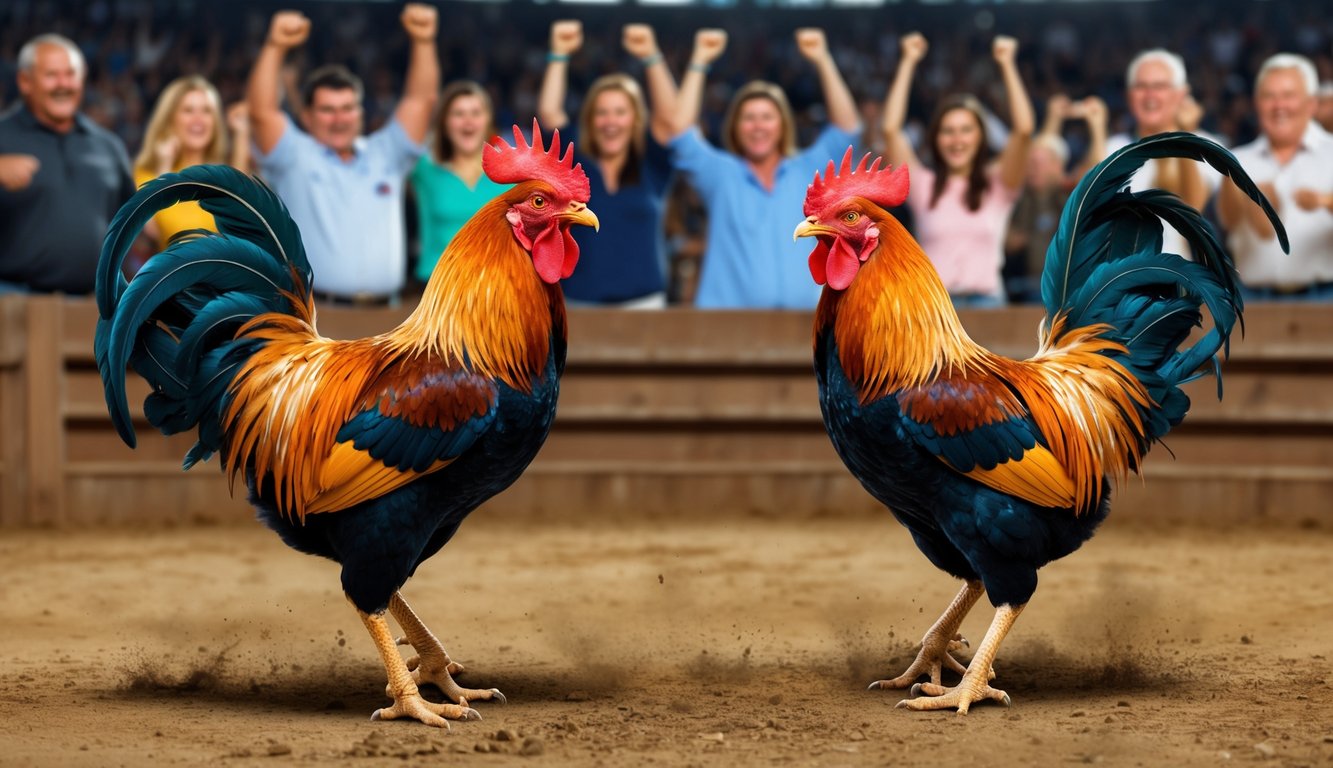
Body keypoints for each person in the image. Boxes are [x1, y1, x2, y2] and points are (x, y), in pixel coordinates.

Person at [246, 5, 439, 307]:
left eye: (348, 107)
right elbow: (261, 113)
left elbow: (421, 101)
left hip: (386, 317)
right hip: (317, 314)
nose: (340, 118)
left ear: (361, 112)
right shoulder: (293, 155)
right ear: (307, 117)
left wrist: (424, 41)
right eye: (328, 109)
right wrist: (275, 45)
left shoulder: (386, 153)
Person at [668, 28, 860, 310]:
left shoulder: (809, 170)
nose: (758, 126)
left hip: (804, 328)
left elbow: (848, 130)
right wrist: (699, 60)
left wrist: (822, 59)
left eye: (767, 117)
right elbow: (679, 133)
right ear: (735, 126)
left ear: (782, 125)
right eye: (749, 118)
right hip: (726, 330)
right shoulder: (720, 174)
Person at [882, 32, 1035, 308]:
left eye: (966, 130)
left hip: (988, 303)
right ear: (936, 139)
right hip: (933, 308)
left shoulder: (998, 184)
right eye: (948, 131)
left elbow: (1023, 131)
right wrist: (908, 61)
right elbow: (890, 130)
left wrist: (1007, 64)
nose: (957, 140)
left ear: (980, 137)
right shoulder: (922, 185)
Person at [537, 20, 679, 308]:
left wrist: (651, 56)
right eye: (601, 113)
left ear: (635, 119)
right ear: (590, 120)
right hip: (578, 304)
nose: (610, 121)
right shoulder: (573, 163)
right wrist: (559, 53)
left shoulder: (651, 162)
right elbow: (550, 113)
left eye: (620, 112)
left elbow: (669, 118)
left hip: (646, 305)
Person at [0, 33, 135, 294]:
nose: (63, 84)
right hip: (11, 300)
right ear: (25, 81)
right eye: (51, 75)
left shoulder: (108, 145)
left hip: (92, 304)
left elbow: (131, 226)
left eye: (71, 74)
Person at [1218, 53, 1333, 301]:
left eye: (1289, 96)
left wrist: (1325, 202)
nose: (1279, 106)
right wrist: (1245, 197)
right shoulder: (1236, 160)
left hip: (1325, 298)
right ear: (1257, 103)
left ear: (1311, 104)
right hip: (1251, 299)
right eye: (1269, 96)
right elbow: (1227, 222)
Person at [1103, 48, 1220, 259]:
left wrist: (1186, 137)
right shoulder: (1111, 148)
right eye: (1141, 86)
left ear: (1182, 94)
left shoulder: (1209, 146)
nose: (1150, 95)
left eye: (1159, 86)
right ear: (1129, 96)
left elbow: (1192, 209)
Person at [1004, 93, 1107, 303]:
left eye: (1039, 164)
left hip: (1067, 292)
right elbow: (1039, 151)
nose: (1032, 168)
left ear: (1058, 167)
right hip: (1023, 289)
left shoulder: (1067, 191)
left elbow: (1096, 172)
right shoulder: (1023, 195)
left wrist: (1097, 127)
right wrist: (1053, 118)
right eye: (1030, 164)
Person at [133, 76, 251, 253]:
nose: (199, 119)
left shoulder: (222, 178)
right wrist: (164, 165)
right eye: (188, 110)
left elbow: (241, 210)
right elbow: (156, 230)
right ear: (169, 119)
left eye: (207, 111)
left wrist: (242, 134)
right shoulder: (146, 175)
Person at [409, 80, 512, 285]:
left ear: (488, 119)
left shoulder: (511, 176)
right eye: (458, 114)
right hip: (437, 293)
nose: (468, 121)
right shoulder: (423, 171)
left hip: (499, 292)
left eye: (476, 113)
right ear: (445, 123)